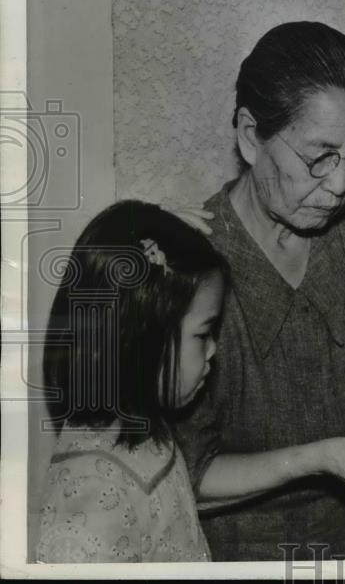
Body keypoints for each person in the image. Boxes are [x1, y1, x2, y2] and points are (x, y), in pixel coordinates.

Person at [171, 21, 345, 561]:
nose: (342, 184)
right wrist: (318, 458)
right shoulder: (188, 263)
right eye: (320, 158)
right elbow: (180, 474)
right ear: (251, 136)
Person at [36, 201, 228, 562]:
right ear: (139, 340)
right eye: (203, 335)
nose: (213, 350)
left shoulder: (140, 420)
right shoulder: (91, 500)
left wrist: (152, 225)